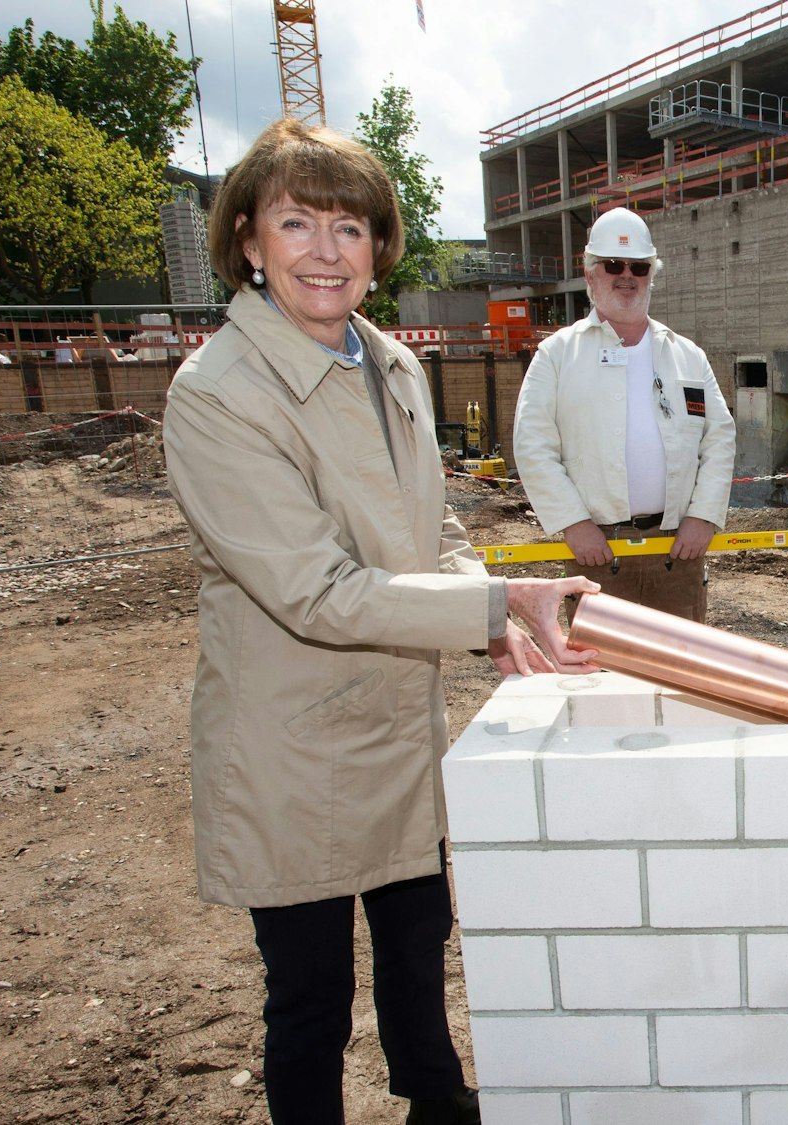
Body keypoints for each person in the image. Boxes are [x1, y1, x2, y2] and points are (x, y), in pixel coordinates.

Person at [162, 118, 598, 1125]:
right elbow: (312, 588)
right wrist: (495, 603)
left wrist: (488, 619)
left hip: (395, 718)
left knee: (416, 949)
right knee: (312, 993)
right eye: (297, 223)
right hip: (293, 736)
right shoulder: (219, 395)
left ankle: (437, 1105)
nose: (326, 251)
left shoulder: (390, 364)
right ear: (247, 242)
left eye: (350, 227)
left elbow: (427, 525)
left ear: (379, 248)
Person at [512, 207, 737, 623]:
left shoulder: (687, 356)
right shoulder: (558, 356)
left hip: (677, 552)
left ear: (652, 273)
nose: (627, 276)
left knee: (679, 675)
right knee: (602, 678)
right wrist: (574, 522)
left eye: (639, 266)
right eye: (614, 264)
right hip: (598, 554)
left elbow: (719, 438)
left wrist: (704, 514)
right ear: (591, 273)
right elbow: (533, 445)